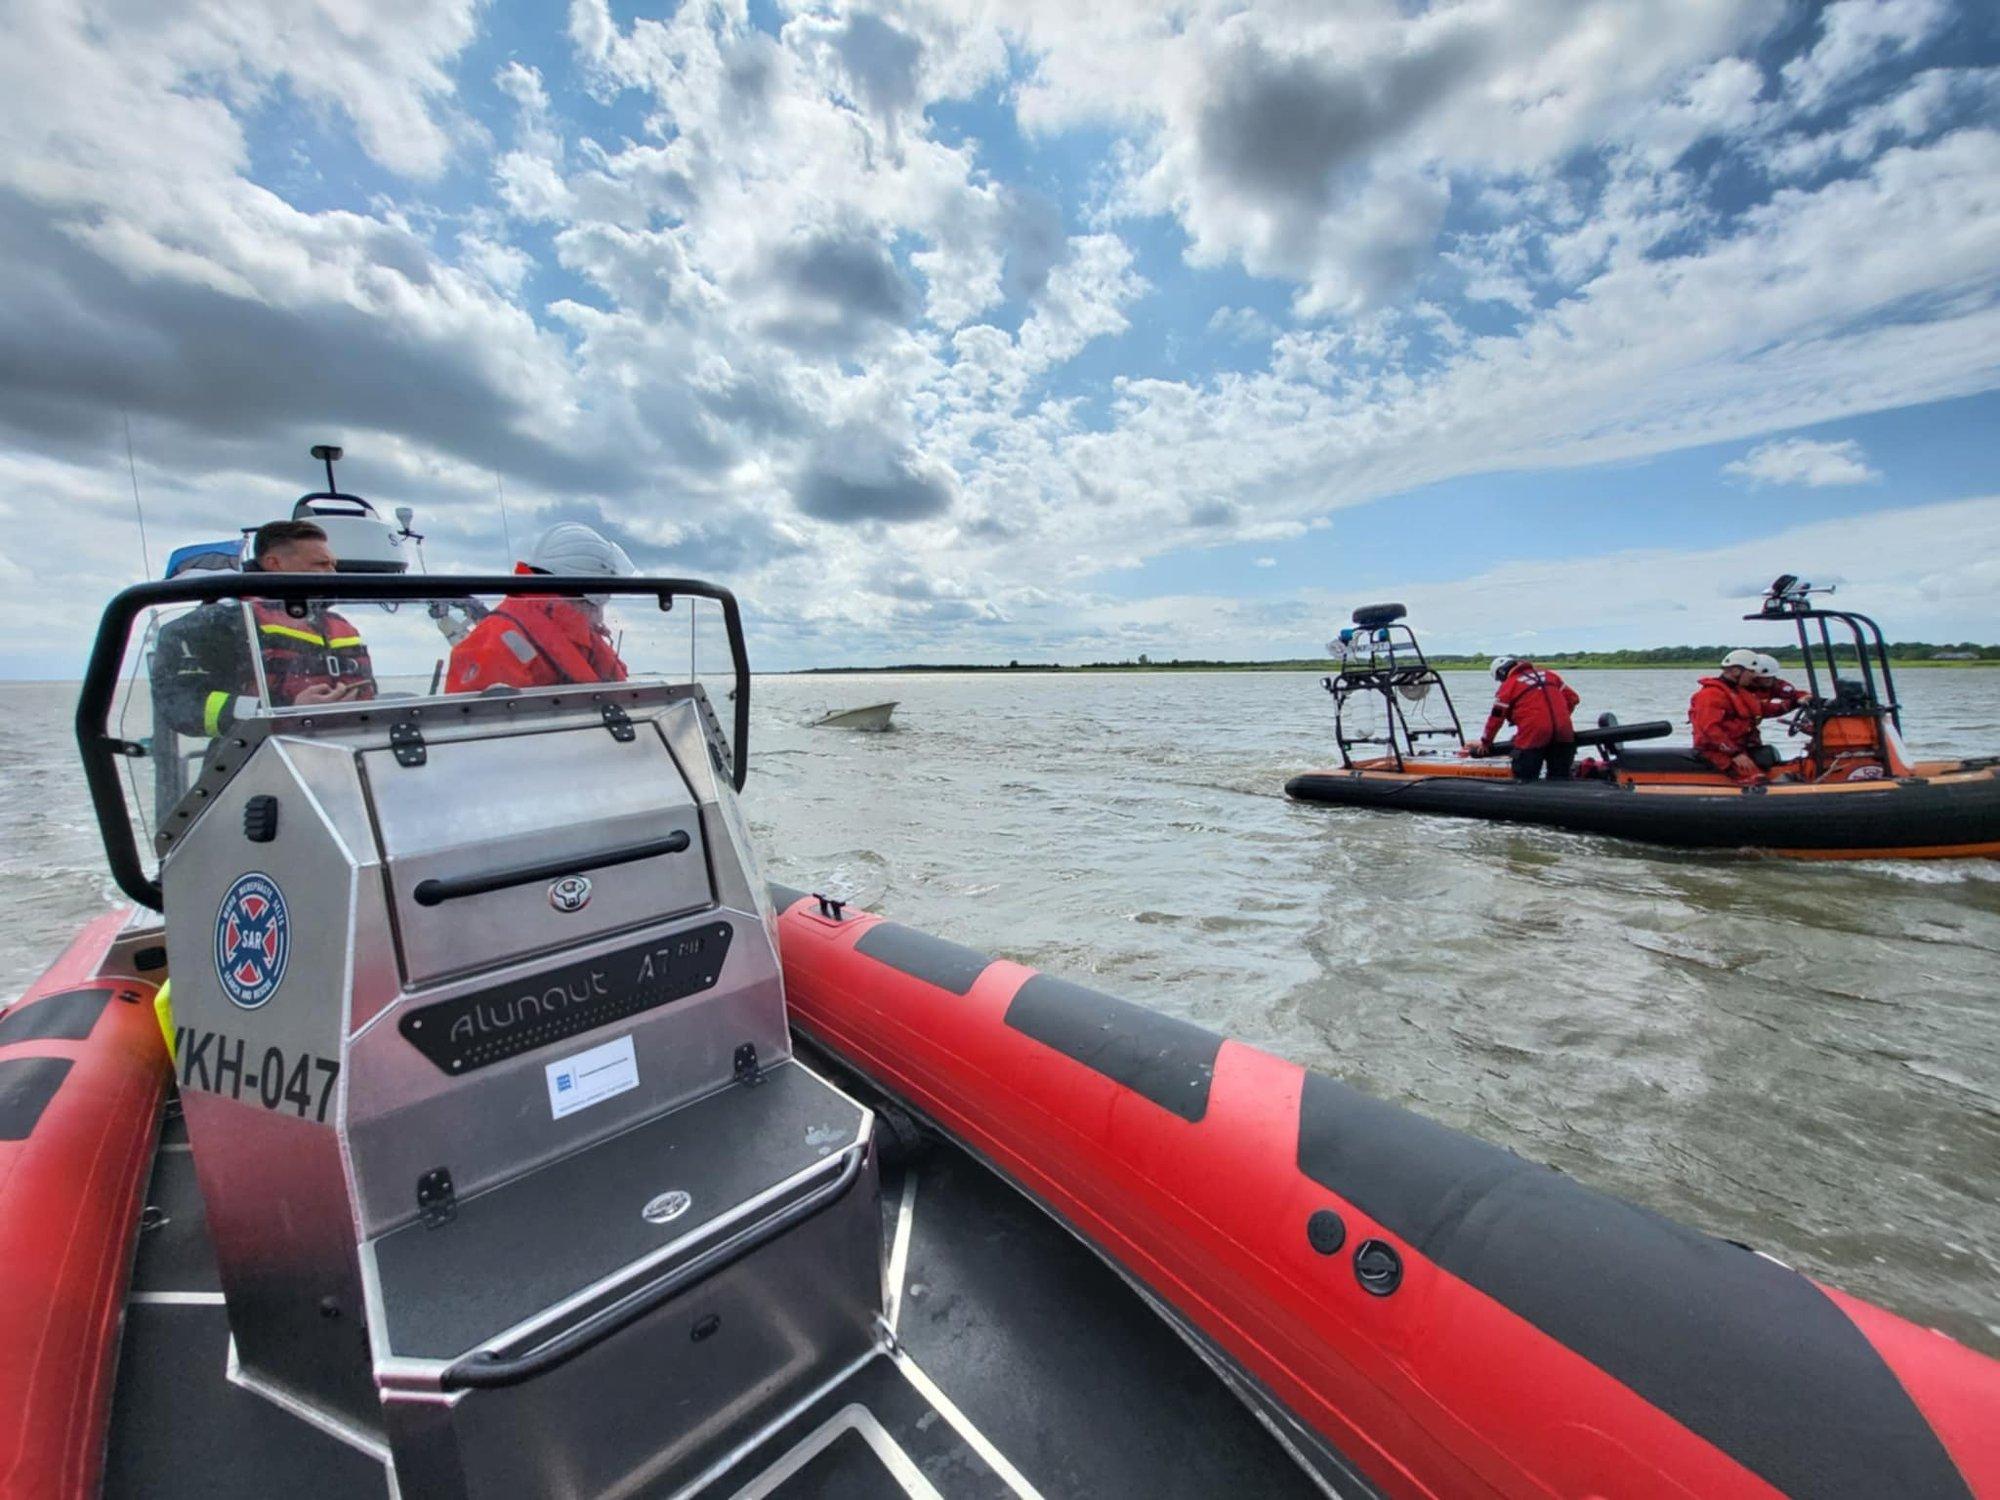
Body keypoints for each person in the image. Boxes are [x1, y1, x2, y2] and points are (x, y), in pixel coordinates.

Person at [152, 519, 375, 738]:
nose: (333, 574)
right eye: (321, 564)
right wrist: (285, 710)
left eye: (333, 565)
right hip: (251, 752)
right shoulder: (217, 622)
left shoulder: (338, 624)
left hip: (350, 743)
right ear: (274, 563)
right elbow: (182, 706)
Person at [446, 523, 634, 692]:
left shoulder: (575, 633)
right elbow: (482, 716)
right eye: (605, 596)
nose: (600, 613)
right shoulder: (494, 643)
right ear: (589, 594)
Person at [1466, 656, 1580, 780]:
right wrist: (1560, 718)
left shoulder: (1509, 685)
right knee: (1561, 777)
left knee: (1524, 777)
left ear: (1501, 673)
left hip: (1533, 735)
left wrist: (1485, 742)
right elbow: (1573, 698)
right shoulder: (1550, 675)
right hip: (1564, 732)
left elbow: (1496, 717)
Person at [1689, 648, 1789, 783]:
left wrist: (1793, 703)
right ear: (1736, 671)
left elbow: (1761, 709)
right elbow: (1710, 729)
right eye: (1751, 672)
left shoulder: (1738, 691)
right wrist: (1734, 753)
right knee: (1757, 780)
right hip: (1716, 753)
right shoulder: (1711, 695)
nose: (1754, 676)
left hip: (1738, 749)